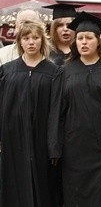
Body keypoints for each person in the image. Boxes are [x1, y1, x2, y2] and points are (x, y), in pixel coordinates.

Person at [52, 12, 101, 207]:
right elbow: (56, 112)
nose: (83, 42)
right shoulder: (65, 71)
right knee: (74, 194)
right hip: (73, 147)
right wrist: (55, 146)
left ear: (98, 41)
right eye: (80, 38)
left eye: (89, 38)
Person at [0, 20, 62, 207]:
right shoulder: (7, 70)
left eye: (35, 38)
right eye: (26, 38)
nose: (31, 42)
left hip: (41, 140)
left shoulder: (54, 72)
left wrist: (54, 145)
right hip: (13, 139)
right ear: (19, 41)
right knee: (14, 182)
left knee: (42, 186)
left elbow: (56, 109)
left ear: (42, 40)